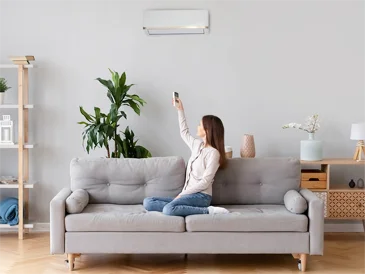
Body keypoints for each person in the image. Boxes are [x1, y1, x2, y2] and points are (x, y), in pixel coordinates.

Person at [143, 98, 229, 216]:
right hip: (187, 194)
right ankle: (180, 207)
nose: (198, 127)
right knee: (148, 202)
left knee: (168, 210)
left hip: (201, 196)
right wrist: (180, 110)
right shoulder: (197, 145)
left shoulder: (213, 153)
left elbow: (205, 182)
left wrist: (183, 194)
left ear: (207, 130)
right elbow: (184, 132)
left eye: (200, 125)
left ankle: (209, 211)